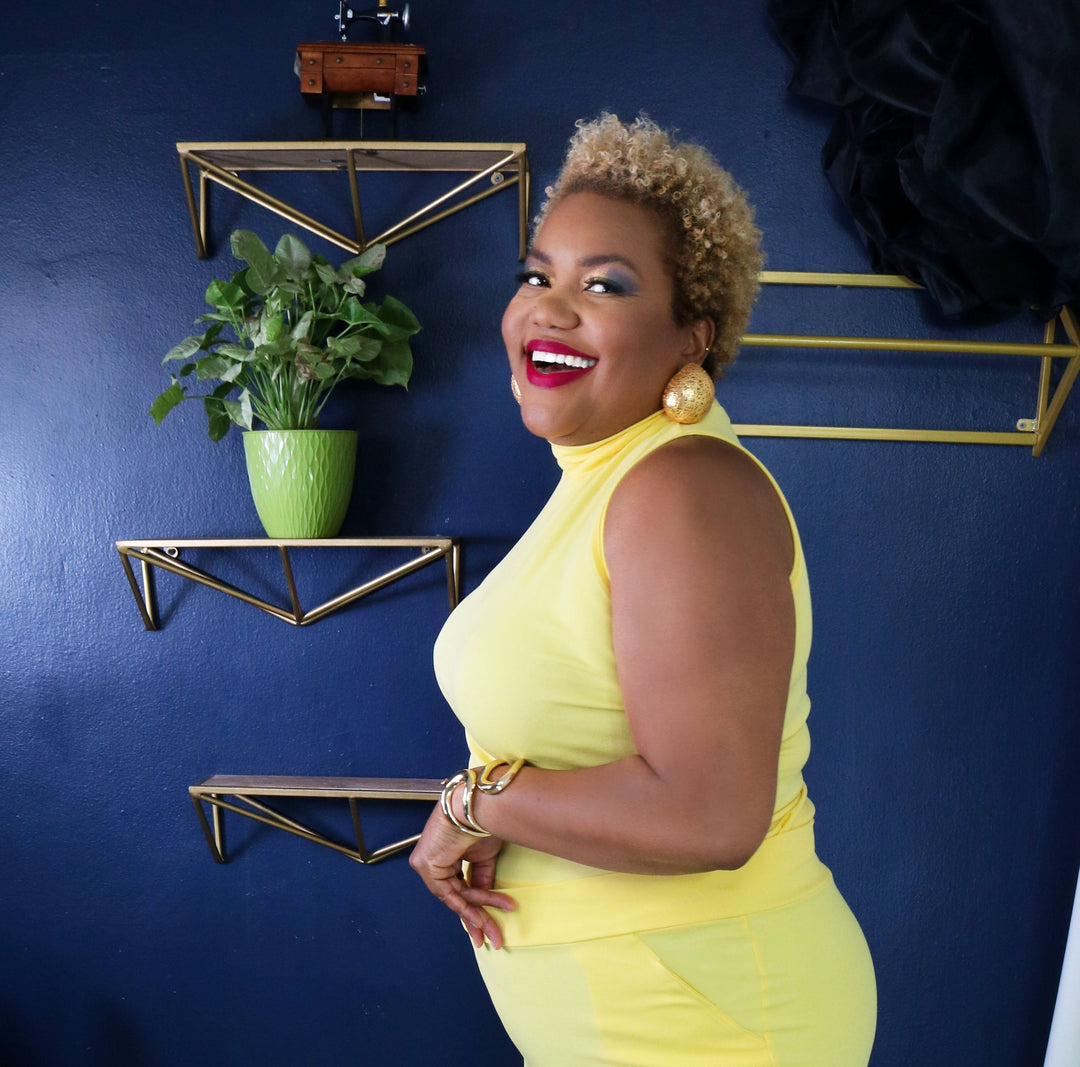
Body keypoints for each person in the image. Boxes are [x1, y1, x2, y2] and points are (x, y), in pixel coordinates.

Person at [410, 112, 877, 1066]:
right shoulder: (605, 479)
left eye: (605, 285)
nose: (549, 306)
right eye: (538, 275)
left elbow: (710, 813)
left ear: (689, 338)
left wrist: (477, 803)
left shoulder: (679, 485)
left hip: (707, 1023)